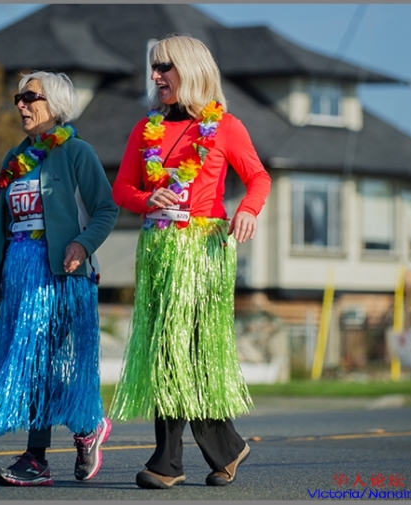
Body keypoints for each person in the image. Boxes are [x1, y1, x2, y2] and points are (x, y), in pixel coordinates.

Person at [0, 71, 119, 487]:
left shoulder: (77, 152)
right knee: (37, 363)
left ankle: (45, 454)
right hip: (19, 276)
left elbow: (106, 210)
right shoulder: (14, 160)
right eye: (18, 97)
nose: (20, 104)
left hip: (62, 277)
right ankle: (79, 431)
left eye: (30, 96)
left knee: (44, 361)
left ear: (54, 103)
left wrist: (82, 245)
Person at [109, 35, 272, 490]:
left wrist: (247, 210)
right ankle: (221, 449)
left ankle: (169, 462)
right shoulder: (145, 129)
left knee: (190, 351)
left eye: (165, 67)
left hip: (202, 252)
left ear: (192, 69)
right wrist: (145, 198)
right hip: (159, 250)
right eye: (154, 67)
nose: (155, 75)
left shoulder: (226, 127)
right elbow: (121, 188)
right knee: (165, 351)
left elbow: (259, 177)